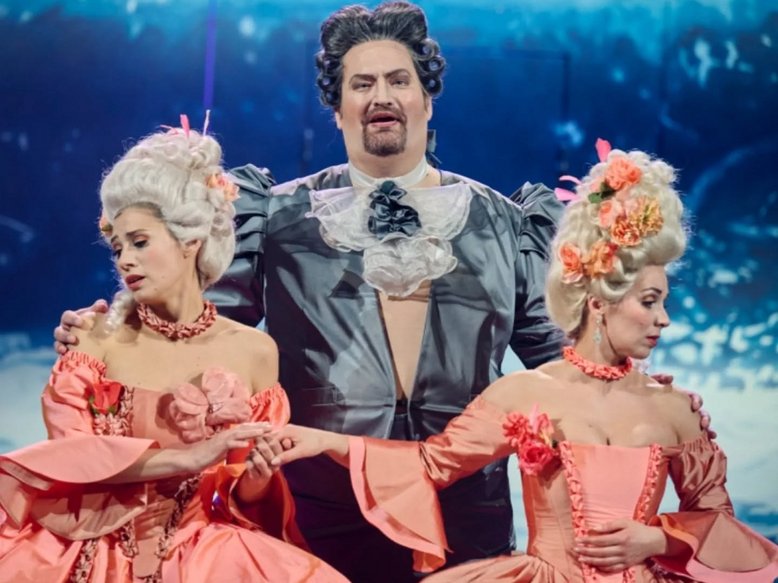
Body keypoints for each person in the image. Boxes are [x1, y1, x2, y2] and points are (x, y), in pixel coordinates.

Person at [53, 4, 708, 582]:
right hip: (320, 506)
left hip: (464, 509)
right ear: (337, 108)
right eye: (361, 84)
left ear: (427, 99)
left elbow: (560, 358)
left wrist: (635, 389)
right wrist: (108, 337)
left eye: (398, 80)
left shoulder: (506, 223)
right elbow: (195, 331)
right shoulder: (273, 216)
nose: (380, 95)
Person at [264, 142, 778, 582]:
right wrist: (325, 441)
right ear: (599, 302)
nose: (663, 319)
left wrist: (658, 539)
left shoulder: (676, 409)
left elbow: (717, 522)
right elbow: (428, 464)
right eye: (649, 301)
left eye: (663, 301)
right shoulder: (525, 393)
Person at [0, 126, 347, 582]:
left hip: (202, 556)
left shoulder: (253, 351)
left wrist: (258, 474)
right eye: (117, 246)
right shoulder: (94, 338)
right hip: (86, 551)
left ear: (190, 241)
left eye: (139, 242)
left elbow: (244, 500)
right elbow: (72, 458)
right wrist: (190, 457)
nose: (124, 259)